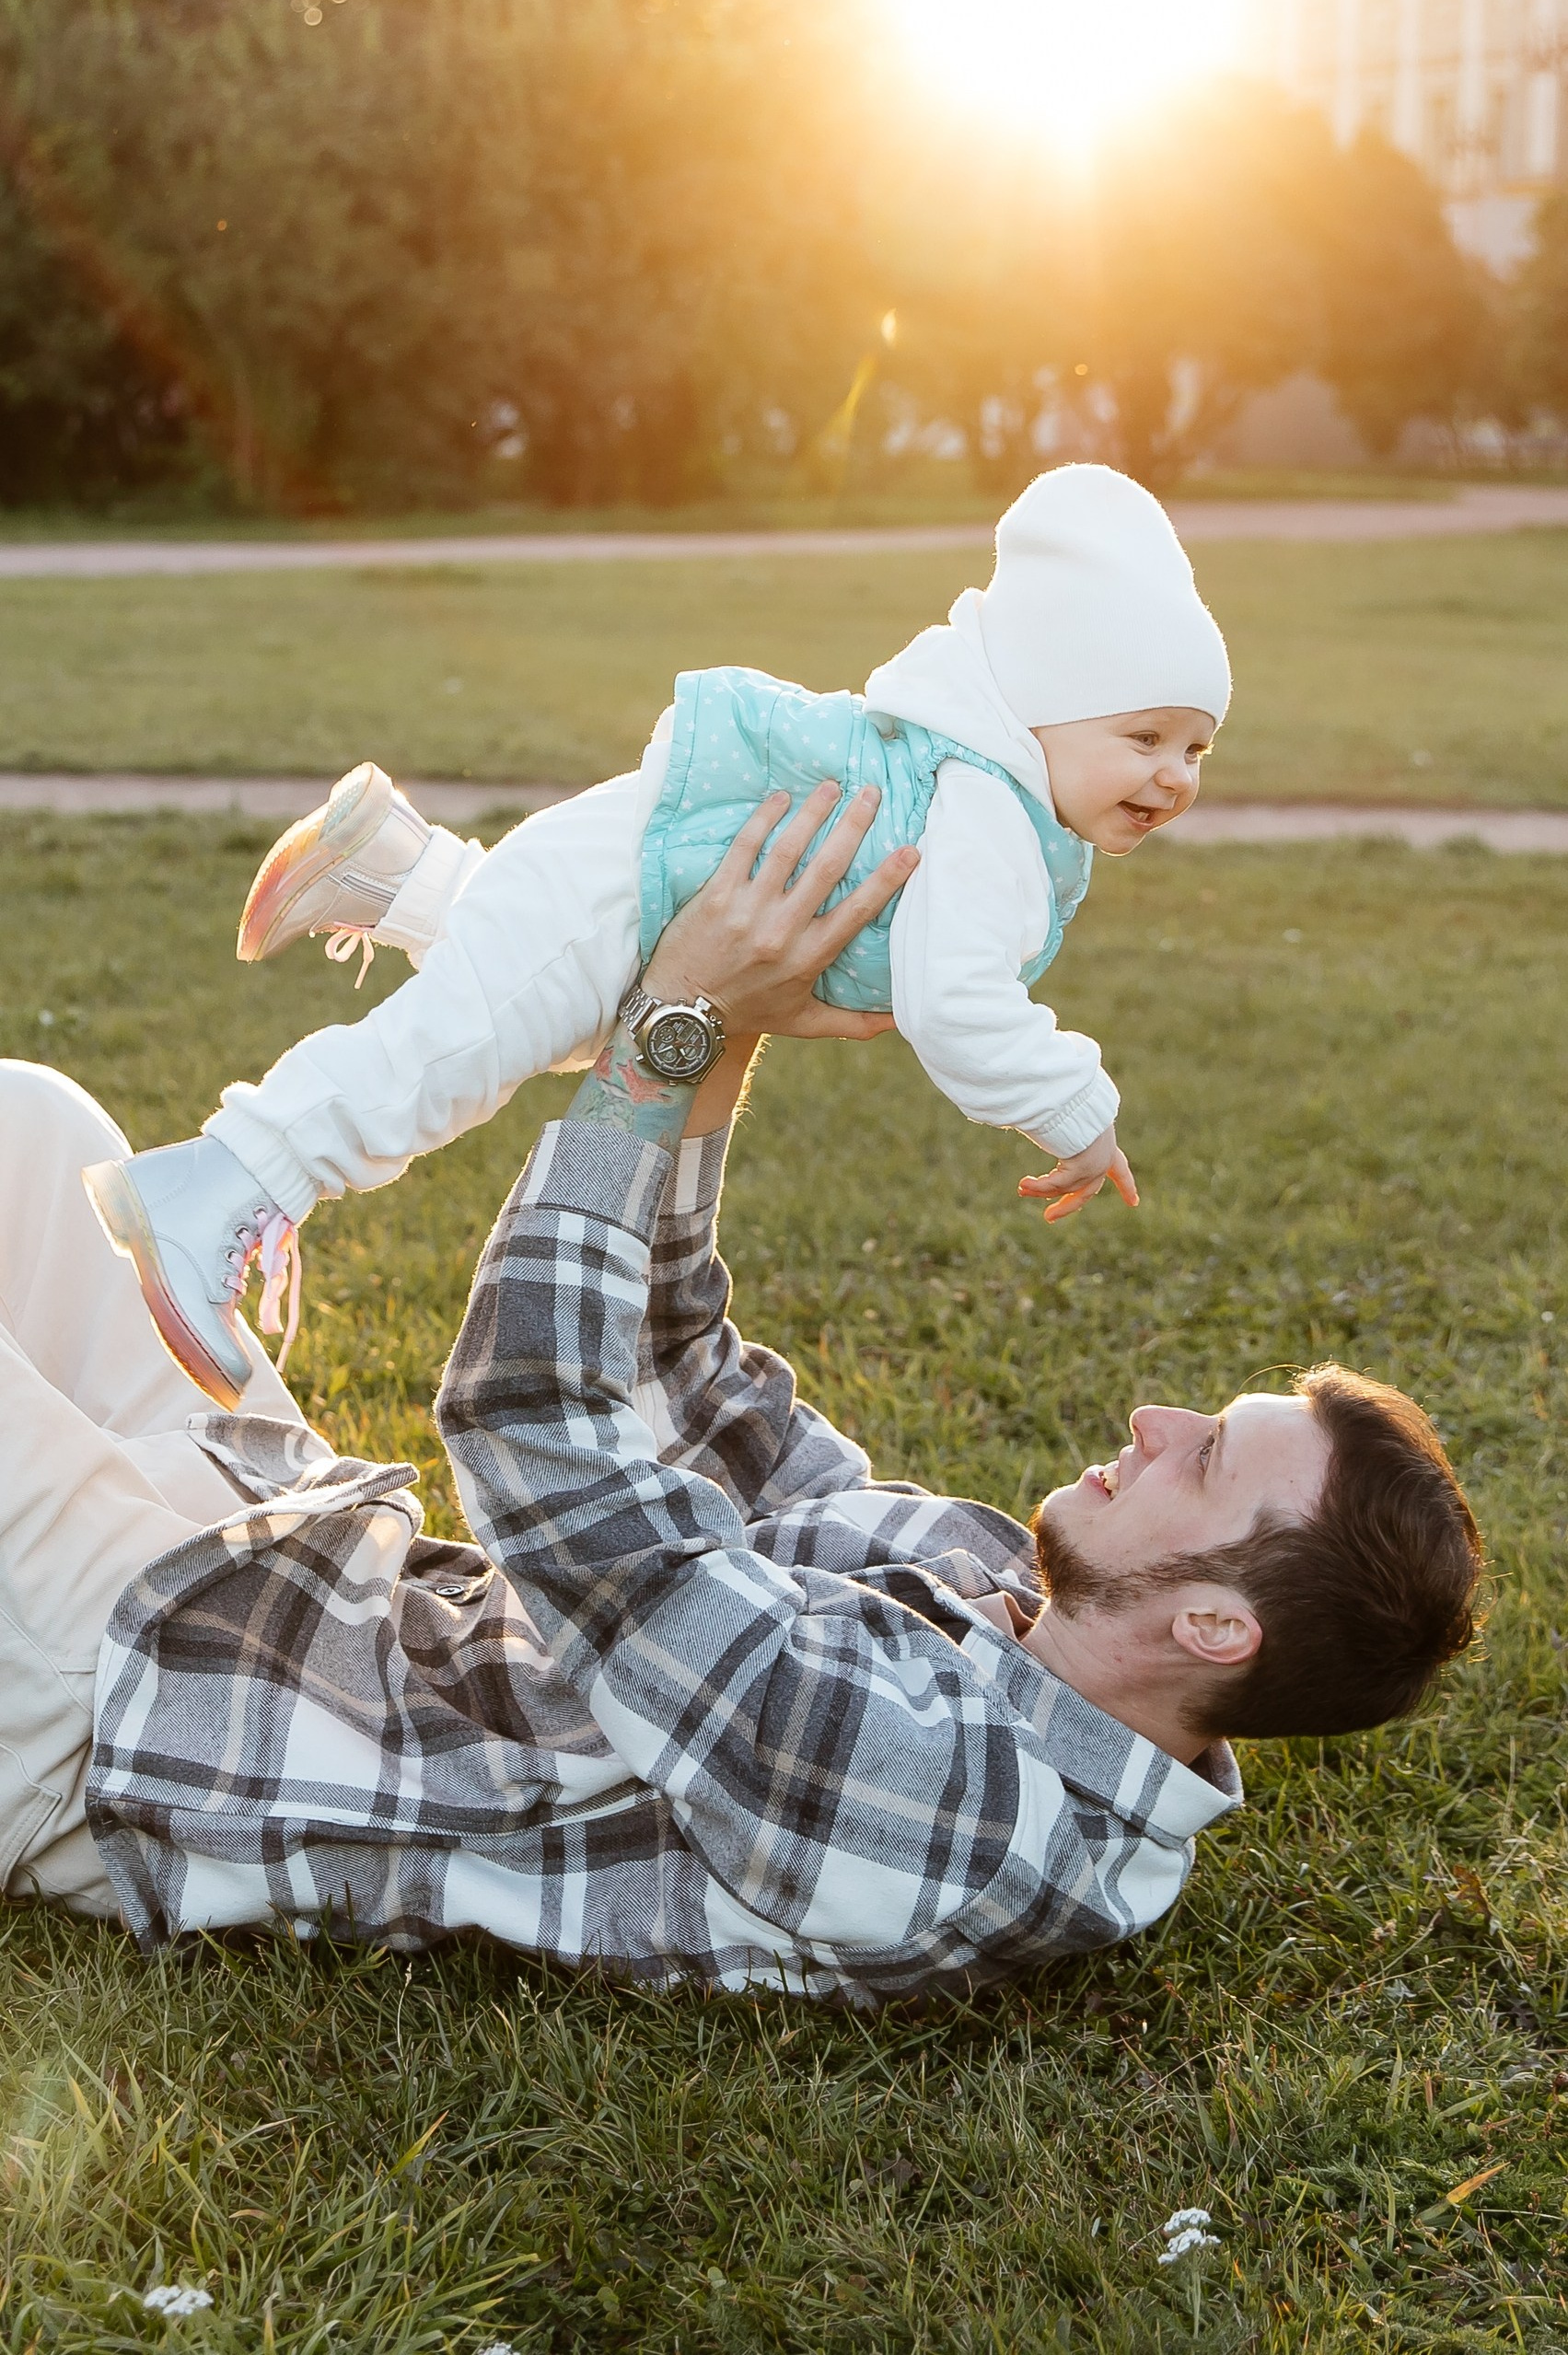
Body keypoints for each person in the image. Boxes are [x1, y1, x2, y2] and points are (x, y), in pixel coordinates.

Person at [6, 792, 1481, 2001]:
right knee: (38, 1127)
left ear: (1216, 1624)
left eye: (1206, 1455)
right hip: (264, 1554)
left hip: (130, 1712)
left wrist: (660, 1037)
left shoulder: (968, 1824)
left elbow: (548, 1451)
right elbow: (698, 1396)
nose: (1156, 1420)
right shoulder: (1008, 1588)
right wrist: (726, 1020)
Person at [84, 463, 1229, 1408]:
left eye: (1195, 748)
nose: (1171, 776)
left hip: (623, 884)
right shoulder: (987, 812)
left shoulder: (983, 785)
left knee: (549, 1005)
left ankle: (397, 871)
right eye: (1142, 736)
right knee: (449, 1058)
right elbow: (957, 1004)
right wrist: (1075, 1107)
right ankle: (225, 1179)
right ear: (1038, 705)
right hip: (621, 890)